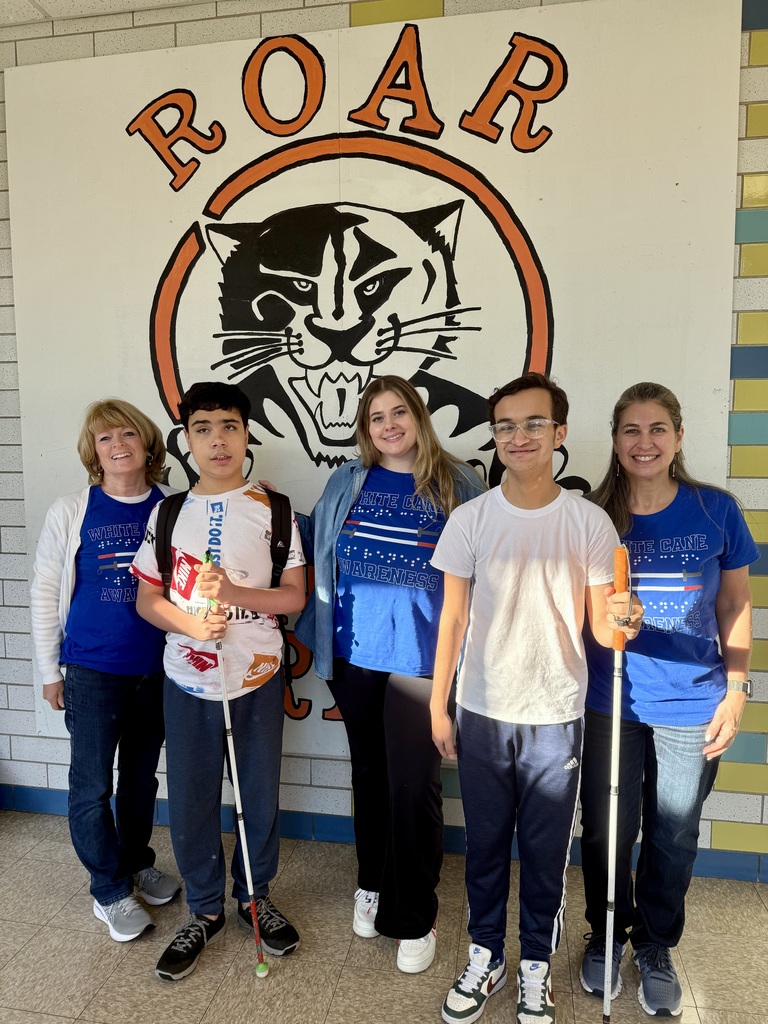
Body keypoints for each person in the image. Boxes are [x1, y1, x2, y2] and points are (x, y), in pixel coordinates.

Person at [430, 372, 642, 1024]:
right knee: (486, 846)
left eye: (532, 424)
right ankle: (486, 954)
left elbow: (604, 628)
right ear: (494, 437)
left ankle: (533, 968)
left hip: (555, 715)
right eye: (505, 426)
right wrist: (440, 705)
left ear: (559, 432)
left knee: (546, 853)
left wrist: (624, 619)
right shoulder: (471, 519)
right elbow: (453, 622)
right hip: (484, 711)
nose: (518, 437)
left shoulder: (587, 522)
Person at [293, 375, 485, 974]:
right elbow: (316, 542)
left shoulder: (460, 484)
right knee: (371, 778)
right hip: (352, 656)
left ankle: (414, 914)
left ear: (419, 417)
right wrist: (262, 507)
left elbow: (483, 575)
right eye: (376, 417)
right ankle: (370, 882)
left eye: (399, 412)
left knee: (413, 787)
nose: (389, 425)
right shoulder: (347, 480)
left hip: (422, 667)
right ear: (365, 429)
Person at [578, 381, 758, 1017]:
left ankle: (655, 944)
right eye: (631, 430)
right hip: (611, 701)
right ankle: (606, 936)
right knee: (606, 832)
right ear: (617, 441)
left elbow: (735, 604)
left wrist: (737, 690)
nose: (644, 442)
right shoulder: (593, 515)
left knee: (673, 835)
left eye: (657, 429)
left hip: (692, 701)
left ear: (678, 437)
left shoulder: (716, 511)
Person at [131, 381, 306, 982]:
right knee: (192, 799)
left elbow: (294, 596)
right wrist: (188, 624)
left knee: (257, 796)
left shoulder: (274, 509)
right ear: (186, 440)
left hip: (256, 675)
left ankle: (254, 897)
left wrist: (233, 595)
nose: (217, 439)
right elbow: (147, 597)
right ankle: (203, 908)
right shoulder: (169, 511)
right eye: (202, 428)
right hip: (186, 679)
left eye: (228, 426)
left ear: (247, 433)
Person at [30, 399, 181, 942]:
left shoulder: (172, 506)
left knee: (140, 778)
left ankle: (137, 862)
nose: (117, 445)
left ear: (146, 443)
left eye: (126, 434)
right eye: (103, 439)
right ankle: (110, 889)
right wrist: (50, 670)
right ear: (93, 453)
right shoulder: (72, 509)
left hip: (158, 670)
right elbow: (46, 591)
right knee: (91, 786)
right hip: (92, 670)